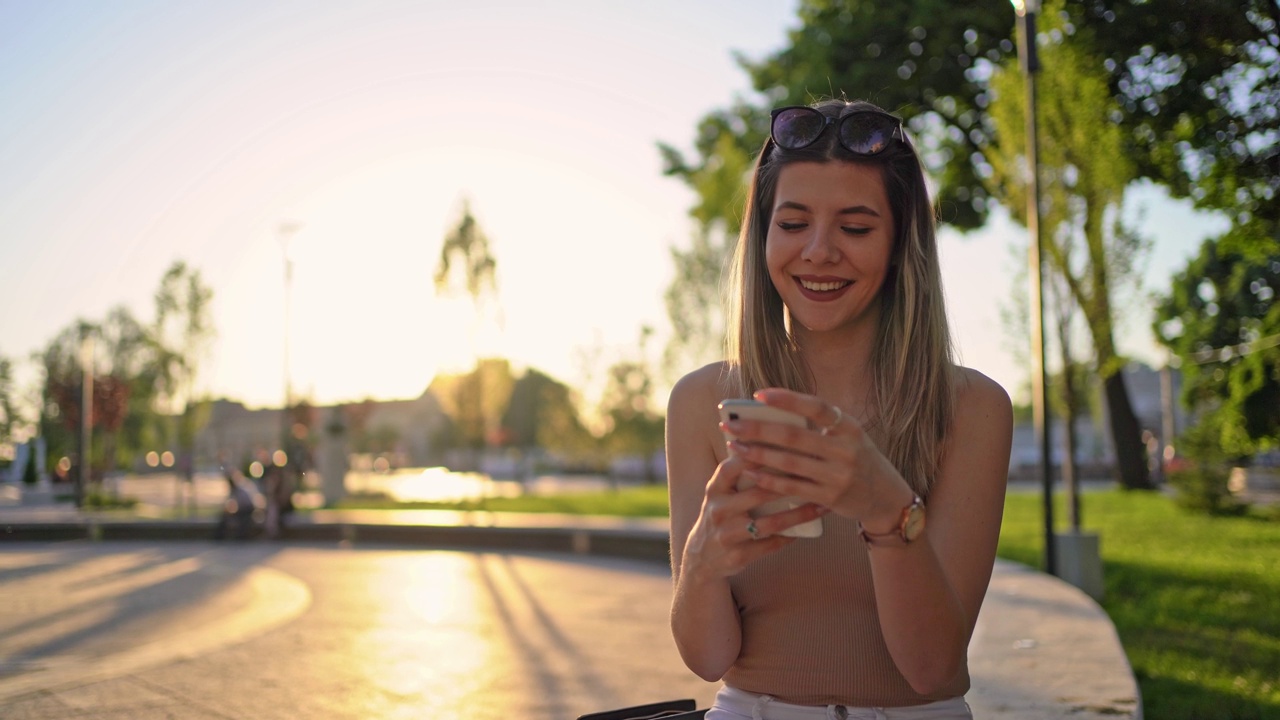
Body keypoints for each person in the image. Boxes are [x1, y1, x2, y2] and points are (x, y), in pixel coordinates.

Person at [665, 98, 1013, 719]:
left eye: (855, 228)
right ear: (763, 234)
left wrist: (887, 511)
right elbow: (709, 656)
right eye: (793, 223)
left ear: (903, 243)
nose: (820, 252)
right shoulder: (701, 402)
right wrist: (700, 560)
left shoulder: (972, 408)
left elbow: (933, 669)